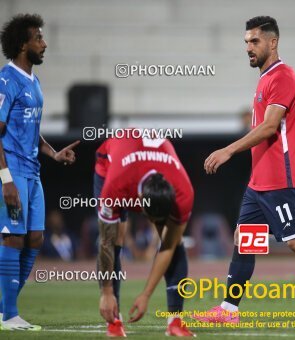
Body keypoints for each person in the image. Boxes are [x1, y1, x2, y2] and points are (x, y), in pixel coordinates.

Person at [198, 16, 295, 325]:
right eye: (246, 42)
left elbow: (271, 128)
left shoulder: (282, 76)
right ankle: (229, 310)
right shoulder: (266, 77)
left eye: (254, 41)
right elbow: (290, 131)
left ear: (273, 42)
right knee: (245, 238)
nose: (248, 47)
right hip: (262, 181)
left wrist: (229, 149)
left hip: (278, 180)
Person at [0, 14, 79, 331]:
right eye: (38, 38)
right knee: (13, 238)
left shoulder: (35, 82)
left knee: (35, 237)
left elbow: (31, 130)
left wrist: (53, 153)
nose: (44, 44)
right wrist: (6, 180)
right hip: (13, 173)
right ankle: (9, 315)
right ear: (23, 45)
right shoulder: (6, 80)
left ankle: (5, 310)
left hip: (33, 173)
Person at [94, 132, 195, 337]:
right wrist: (106, 292)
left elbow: (167, 246)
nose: (154, 224)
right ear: (138, 201)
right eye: (152, 218)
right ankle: (114, 321)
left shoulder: (184, 192)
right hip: (109, 163)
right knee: (115, 240)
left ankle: (175, 320)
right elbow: (106, 243)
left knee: (175, 243)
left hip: (147, 159)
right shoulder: (116, 187)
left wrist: (146, 294)